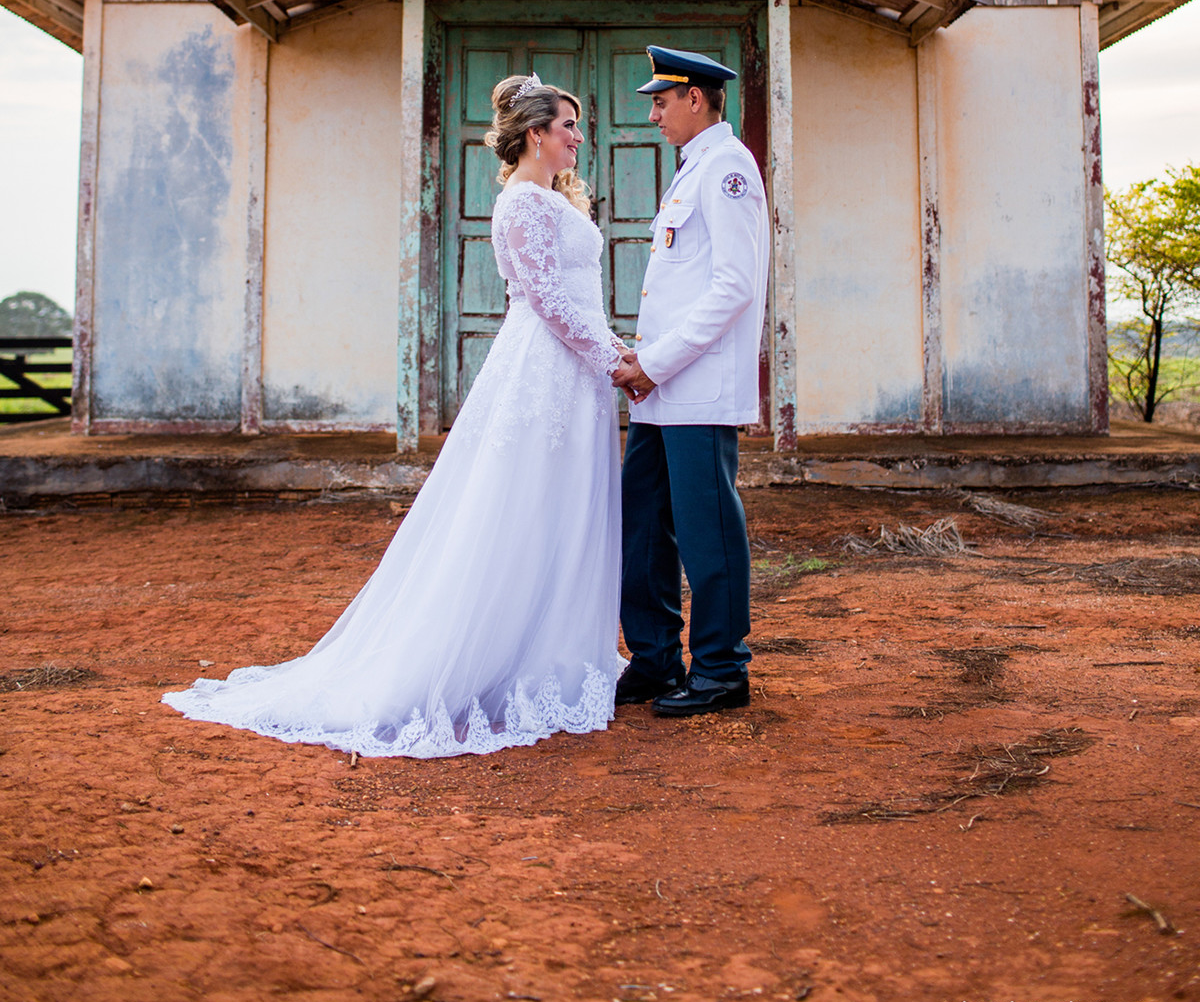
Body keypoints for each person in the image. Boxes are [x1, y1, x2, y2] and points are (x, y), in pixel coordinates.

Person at [163, 76, 625, 759]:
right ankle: (500, 659)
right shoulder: (523, 204)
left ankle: (559, 647)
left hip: (576, 373)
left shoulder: (554, 199)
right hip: (546, 368)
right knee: (524, 505)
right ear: (536, 135)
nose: (578, 138)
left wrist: (612, 353)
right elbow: (549, 300)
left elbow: (580, 298)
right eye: (568, 126)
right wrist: (615, 360)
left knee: (565, 506)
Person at [612, 46, 770, 718]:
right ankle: (654, 659)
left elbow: (735, 285)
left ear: (695, 99)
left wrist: (657, 362)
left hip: (695, 386)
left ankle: (721, 669)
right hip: (662, 389)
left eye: (660, 101)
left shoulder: (728, 168)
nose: (653, 115)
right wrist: (646, 362)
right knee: (644, 525)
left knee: (708, 535)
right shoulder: (693, 169)